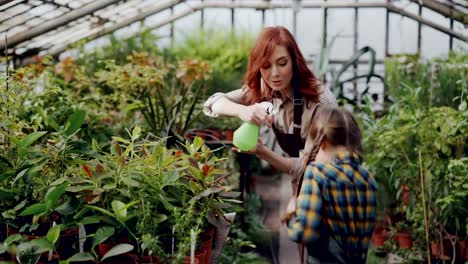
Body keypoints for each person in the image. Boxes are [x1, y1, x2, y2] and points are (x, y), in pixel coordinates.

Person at [203, 26, 337, 187]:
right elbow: (213, 103)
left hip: (332, 186)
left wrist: (261, 151)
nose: (274, 74)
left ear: (295, 61)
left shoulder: (320, 102)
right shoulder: (265, 89)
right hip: (302, 185)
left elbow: (314, 167)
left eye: (282, 63)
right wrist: (242, 111)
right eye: (266, 66)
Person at [283, 106, 378, 264]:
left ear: (323, 143)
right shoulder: (368, 179)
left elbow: (304, 233)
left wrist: (292, 213)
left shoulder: (317, 173)